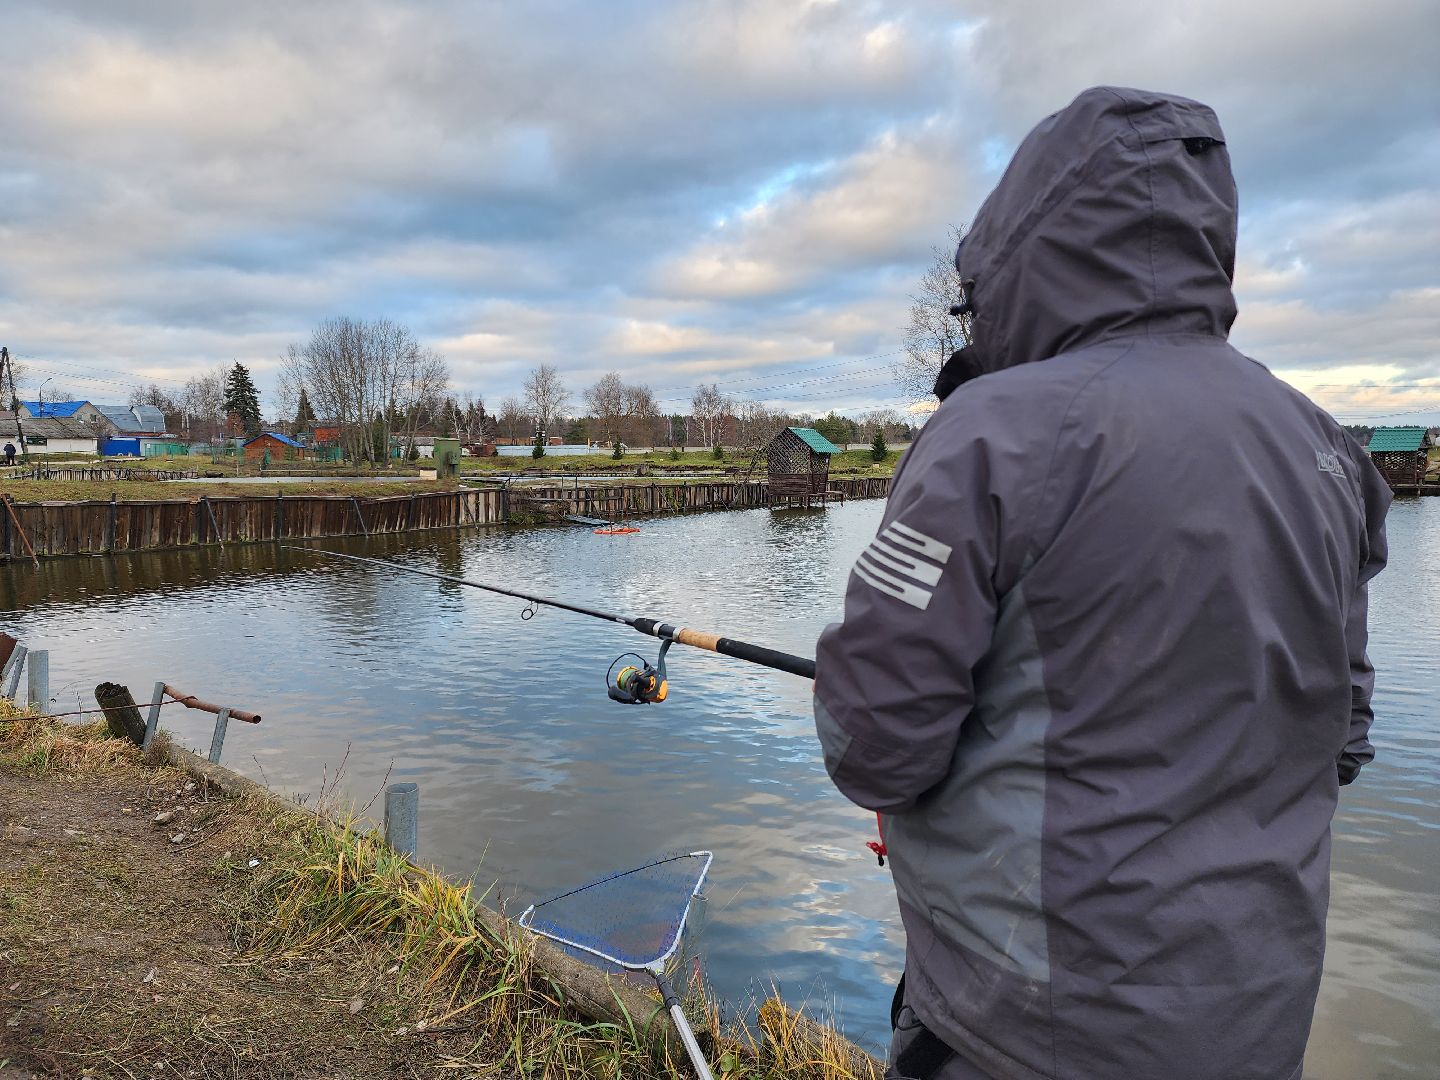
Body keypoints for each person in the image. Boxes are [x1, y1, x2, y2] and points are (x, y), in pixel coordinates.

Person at [814, 86, 1390, 1080]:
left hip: (1024, 1025)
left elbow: (875, 741)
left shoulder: (991, 432)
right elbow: (1340, 737)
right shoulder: (1327, 450)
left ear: (1024, 252)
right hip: (1257, 1021)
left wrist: (923, 801)